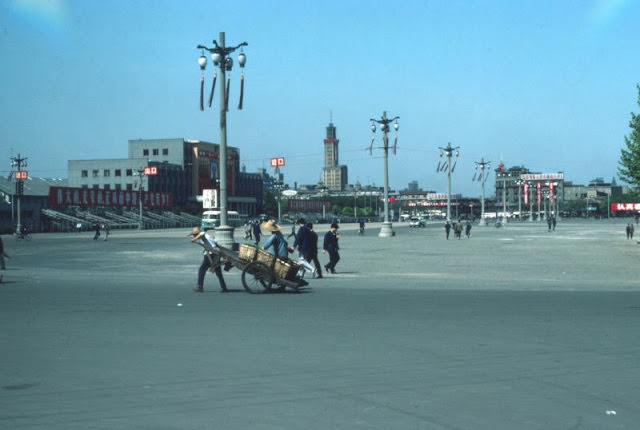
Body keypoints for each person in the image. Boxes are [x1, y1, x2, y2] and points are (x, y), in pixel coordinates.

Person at [190, 226, 228, 293]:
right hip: (215, 254)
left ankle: (200, 287)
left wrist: (193, 240)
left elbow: (199, 236)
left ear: (196, 234)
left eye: (194, 235)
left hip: (210, 255)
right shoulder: (208, 236)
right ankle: (224, 287)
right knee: (218, 272)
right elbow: (215, 243)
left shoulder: (202, 234)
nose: (194, 236)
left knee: (202, 269)